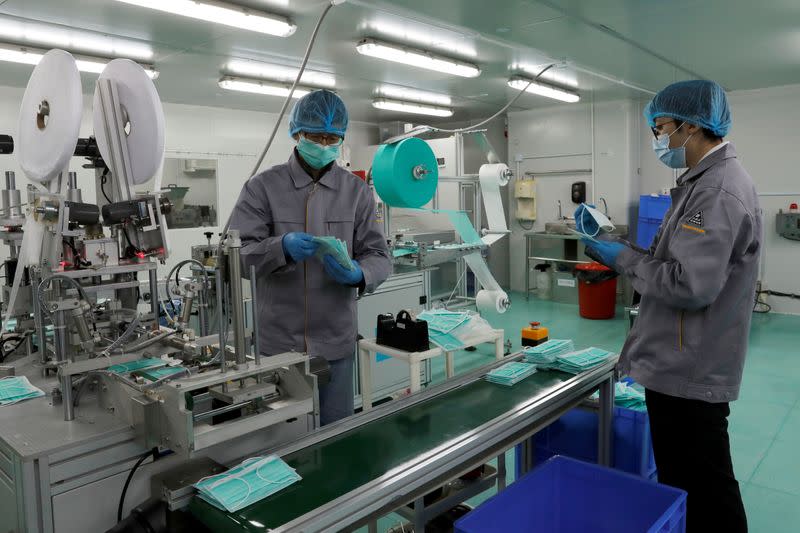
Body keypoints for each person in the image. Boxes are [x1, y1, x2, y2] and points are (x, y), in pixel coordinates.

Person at [579, 80, 760, 533]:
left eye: (660, 128)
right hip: (683, 361)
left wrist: (620, 259)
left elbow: (688, 284)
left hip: (690, 370)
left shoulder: (717, 190)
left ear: (692, 126)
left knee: (706, 489)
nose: (659, 138)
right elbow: (675, 260)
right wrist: (624, 247)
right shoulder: (704, 183)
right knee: (694, 483)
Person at [229, 89, 391, 425]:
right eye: (316, 136)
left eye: (332, 138)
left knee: (336, 434)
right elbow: (236, 256)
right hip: (277, 346)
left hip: (335, 343)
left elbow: (379, 254)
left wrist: (360, 274)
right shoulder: (262, 188)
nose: (323, 144)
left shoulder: (357, 192)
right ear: (297, 133)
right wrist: (280, 248)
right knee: (282, 441)